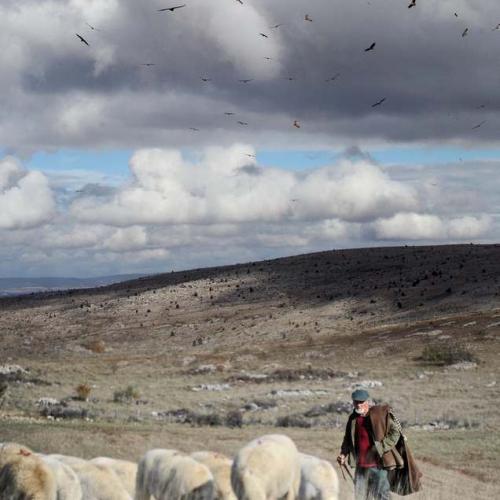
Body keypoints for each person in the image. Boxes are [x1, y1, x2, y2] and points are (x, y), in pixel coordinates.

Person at [337, 389, 403, 500]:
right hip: (360, 468)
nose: (358, 405)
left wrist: (381, 447)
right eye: (356, 402)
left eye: (361, 402)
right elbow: (348, 439)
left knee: (383, 497)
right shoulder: (353, 418)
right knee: (360, 497)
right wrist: (343, 454)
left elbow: (396, 432)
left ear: (367, 402)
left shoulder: (378, 415)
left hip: (378, 467)